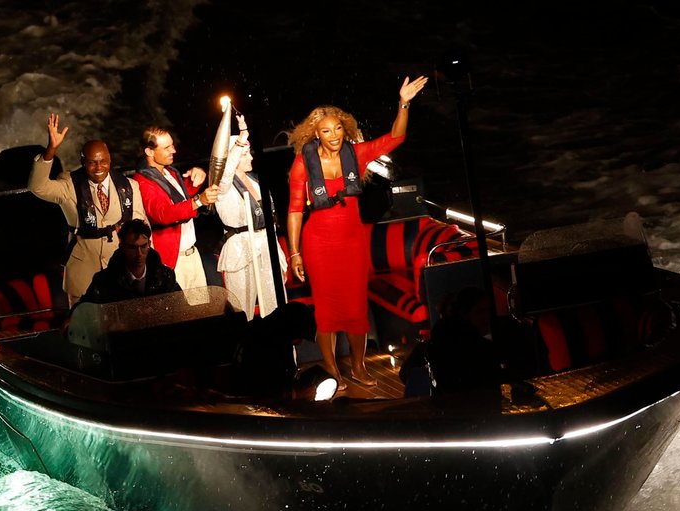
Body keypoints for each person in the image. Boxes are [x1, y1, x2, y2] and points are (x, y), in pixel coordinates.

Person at [286, 75, 428, 388]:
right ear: (316, 135)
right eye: (326, 130)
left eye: (338, 128)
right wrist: (294, 253)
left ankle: (360, 368)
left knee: (354, 305)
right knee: (327, 308)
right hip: (317, 241)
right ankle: (332, 369)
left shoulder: (357, 153)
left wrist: (403, 103)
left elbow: (395, 138)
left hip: (351, 239)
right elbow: (295, 209)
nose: (334, 135)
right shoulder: (302, 163)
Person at [28, 113, 147, 306]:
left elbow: (142, 229)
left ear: (110, 160)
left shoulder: (128, 186)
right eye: (92, 162)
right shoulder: (69, 185)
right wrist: (51, 150)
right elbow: (37, 187)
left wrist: (145, 265)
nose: (99, 167)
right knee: (84, 326)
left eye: (103, 161)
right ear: (83, 163)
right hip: (83, 270)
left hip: (120, 268)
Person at [214, 114, 287, 321]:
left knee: (277, 309)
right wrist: (241, 136)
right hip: (240, 252)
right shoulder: (222, 185)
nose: (251, 157)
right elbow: (225, 171)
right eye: (245, 154)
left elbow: (269, 222)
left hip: (265, 246)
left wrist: (279, 257)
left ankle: (281, 350)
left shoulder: (256, 183)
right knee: (241, 312)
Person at [133, 126, 219, 291]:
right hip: (172, 261)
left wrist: (197, 175)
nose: (173, 150)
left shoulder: (169, 172)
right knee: (180, 312)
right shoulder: (142, 182)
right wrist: (198, 202)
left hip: (191, 255)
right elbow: (162, 214)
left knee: (201, 309)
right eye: (166, 148)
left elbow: (178, 198)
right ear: (149, 152)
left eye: (172, 145)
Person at [79, 219, 180, 304]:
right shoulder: (104, 281)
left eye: (143, 246)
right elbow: (85, 308)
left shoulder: (165, 276)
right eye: (133, 248)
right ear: (122, 246)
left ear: (149, 244)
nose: (139, 254)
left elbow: (180, 308)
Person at [427, 286, 500, 398]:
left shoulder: (442, 338)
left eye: (488, 310)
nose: (486, 317)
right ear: (464, 314)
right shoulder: (475, 348)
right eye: (480, 311)